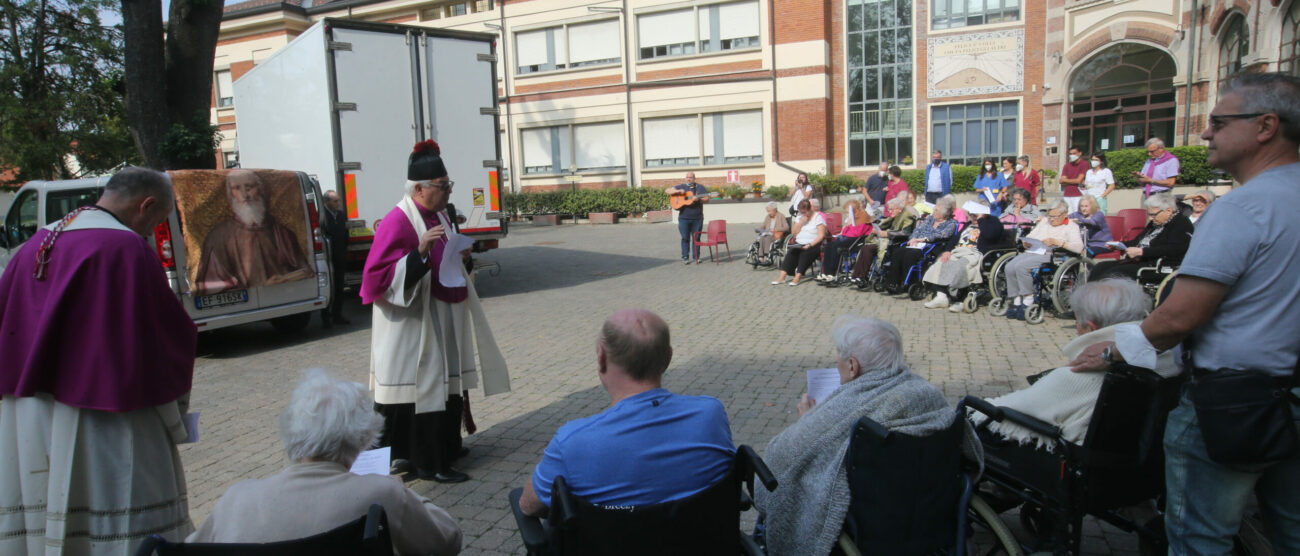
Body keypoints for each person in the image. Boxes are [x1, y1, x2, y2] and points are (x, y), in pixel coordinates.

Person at [1069, 73, 1300, 555]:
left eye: (1218, 121)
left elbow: (1178, 318)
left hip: (1234, 402)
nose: (1205, 133)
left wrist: (1113, 351)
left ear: (1266, 126)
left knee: (1200, 540)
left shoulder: (1244, 207)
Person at [0, 167, 198, 554]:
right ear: (147, 205)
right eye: (155, 222)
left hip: (29, 414)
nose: (150, 231)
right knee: (116, 519)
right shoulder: (126, 248)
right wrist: (177, 414)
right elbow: (163, 337)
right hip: (107, 416)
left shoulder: (37, 241)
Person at [754, 316, 980, 556]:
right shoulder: (931, 396)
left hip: (870, 525)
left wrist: (805, 420)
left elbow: (779, 462)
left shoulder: (838, 414)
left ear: (852, 366)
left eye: (839, 357)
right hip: (928, 515)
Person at [360, 139, 511, 484]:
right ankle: (427, 462)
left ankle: (445, 447)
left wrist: (462, 256)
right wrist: (419, 253)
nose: (447, 193)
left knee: (443, 388)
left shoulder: (440, 213)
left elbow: (446, 258)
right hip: (410, 327)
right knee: (417, 392)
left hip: (441, 317)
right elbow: (375, 280)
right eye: (442, 187)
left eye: (448, 186)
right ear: (418, 188)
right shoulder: (398, 222)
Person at [188, 370, 463, 555]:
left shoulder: (235, 499)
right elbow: (448, 539)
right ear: (363, 438)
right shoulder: (380, 495)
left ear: (290, 432)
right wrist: (402, 492)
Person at [518, 309, 734, 516]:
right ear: (668, 358)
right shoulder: (710, 415)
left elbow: (530, 506)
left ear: (601, 358)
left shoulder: (573, 442)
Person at [194, 169, 314, 295]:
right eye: (237, 188)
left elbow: (304, 269)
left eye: (249, 187)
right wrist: (262, 287)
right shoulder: (218, 236)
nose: (245, 195)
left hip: (286, 298)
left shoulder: (282, 232)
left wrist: (288, 278)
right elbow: (211, 285)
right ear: (231, 194)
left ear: (260, 190)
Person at [1001, 201, 1083, 320]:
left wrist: (1058, 242)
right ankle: (1017, 299)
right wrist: (1026, 242)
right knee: (1009, 267)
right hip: (1034, 250)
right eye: (1050, 215)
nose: (1051, 219)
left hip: (1052, 254)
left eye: (1054, 216)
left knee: (1021, 267)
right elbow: (1031, 235)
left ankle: (1028, 298)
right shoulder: (1045, 221)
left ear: (1065, 214)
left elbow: (1079, 247)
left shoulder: (1071, 226)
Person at [1088, 192, 1192, 282]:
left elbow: (1175, 249)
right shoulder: (1155, 223)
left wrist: (1142, 252)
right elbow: (1137, 242)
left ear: (1168, 211)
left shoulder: (1181, 223)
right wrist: (1119, 245)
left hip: (1157, 265)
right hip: (1139, 260)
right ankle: (1088, 299)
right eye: (1149, 214)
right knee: (1099, 267)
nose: (1151, 218)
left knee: (1113, 273)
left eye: (1154, 214)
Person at [922, 200, 1004, 311]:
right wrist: (947, 251)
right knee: (941, 262)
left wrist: (980, 219)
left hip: (975, 253)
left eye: (975, 214)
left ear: (983, 213)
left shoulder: (993, 222)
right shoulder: (968, 224)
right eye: (971, 214)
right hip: (959, 251)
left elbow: (989, 236)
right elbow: (955, 239)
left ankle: (960, 298)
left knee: (960, 267)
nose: (972, 217)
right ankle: (941, 296)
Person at [883, 197, 958, 290]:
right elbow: (918, 229)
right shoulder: (931, 219)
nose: (933, 211)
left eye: (936, 210)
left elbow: (943, 235)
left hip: (932, 246)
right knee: (898, 252)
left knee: (910, 255)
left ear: (944, 213)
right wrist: (913, 238)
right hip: (917, 243)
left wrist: (923, 239)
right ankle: (893, 282)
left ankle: (908, 283)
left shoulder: (951, 223)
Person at [850, 196, 915, 286]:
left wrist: (887, 234)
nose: (890, 212)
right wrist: (877, 229)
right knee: (866, 248)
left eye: (891, 209)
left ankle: (863, 275)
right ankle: (859, 276)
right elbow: (884, 225)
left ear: (899, 209)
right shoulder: (895, 216)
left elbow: (906, 233)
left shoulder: (907, 216)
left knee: (870, 248)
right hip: (887, 240)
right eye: (889, 210)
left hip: (897, 242)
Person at [771, 200, 827, 287]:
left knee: (805, 254)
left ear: (809, 209)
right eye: (801, 212)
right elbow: (793, 233)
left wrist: (810, 244)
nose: (803, 214)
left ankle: (797, 277)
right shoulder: (800, 217)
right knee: (791, 253)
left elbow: (821, 235)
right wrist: (800, 222)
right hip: (799, 242)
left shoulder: (818, 218)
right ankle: (782, 277)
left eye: (805, 212)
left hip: (813, 243)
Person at [817, 201, 873, 282]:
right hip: (849, 238)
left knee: (836, 245)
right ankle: (826, 272)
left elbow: (857, 233)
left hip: (857, 241)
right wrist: (847, 225)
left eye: (848, 212)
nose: (847, 214)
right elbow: (844, 232)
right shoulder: (853, 218)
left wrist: (849, 226)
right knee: (828, 245)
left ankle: (832, 272)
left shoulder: (863, 217)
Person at [321, 190, 351, 326]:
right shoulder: (321, 216)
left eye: (338, 200)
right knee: (329, 287)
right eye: (335, 201)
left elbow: (345, 234)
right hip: (328, 257)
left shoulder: (340, 215)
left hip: (339, 256)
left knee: (339, 287)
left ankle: (337, 315)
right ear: (327, 202)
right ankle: (325, 317)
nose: (338, 203)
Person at [665, 172, 710, 264]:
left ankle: (696, 257)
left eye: (690, 177)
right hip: (684, 218)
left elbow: (707, 199)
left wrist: (699, 199)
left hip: (697, 218)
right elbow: (667, 190)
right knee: (685, 237)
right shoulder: (681, 186)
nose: (688, 179)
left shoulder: (700, 187)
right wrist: (677, 191)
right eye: (687, 177)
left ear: (694, 178)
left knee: (696, 238)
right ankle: (685, 257)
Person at [1058, 146, 1089, 212]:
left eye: (1074, 153)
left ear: (1080, 153)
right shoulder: (1067, 165)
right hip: (1067, 194)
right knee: (1068, 215)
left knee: (1078, 214)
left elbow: (1079, 180)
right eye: (1070, 154)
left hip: (1078, 194)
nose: (1072, 155)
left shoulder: (1084, 164)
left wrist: (1066, 181)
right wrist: (1074, 181)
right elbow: (1061, 181)